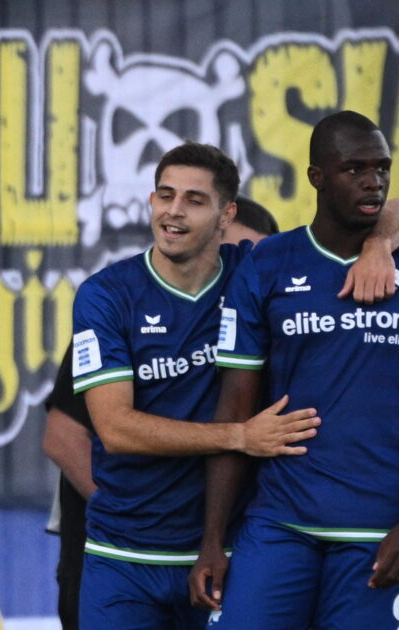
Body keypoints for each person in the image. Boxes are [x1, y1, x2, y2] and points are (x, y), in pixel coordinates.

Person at [69, 141, 399, 628]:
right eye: (164, 195)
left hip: (226, 554)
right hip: (124, 555)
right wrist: (239, 436)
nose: (173, 211)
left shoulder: (254, 272)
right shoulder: (107, 294)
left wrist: (377, 246)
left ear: (226, 214)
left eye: (194, 200)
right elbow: (115, 429)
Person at [190, 111, 399, 630]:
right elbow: (234, 410)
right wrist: (213, 539)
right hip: (279, 524)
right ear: (316, 176)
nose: (373, 181)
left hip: (377, 533)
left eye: (382, 168)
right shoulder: (267, 265)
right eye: (354, 169)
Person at [41, 196, 282, 630]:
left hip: (216, 555)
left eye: (253, 259)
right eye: (232, 251)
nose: (243, 270)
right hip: (120, 555)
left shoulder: (257, 322)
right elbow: (63, 437)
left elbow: (385, 212)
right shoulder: (115, 307)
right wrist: (139, 515)